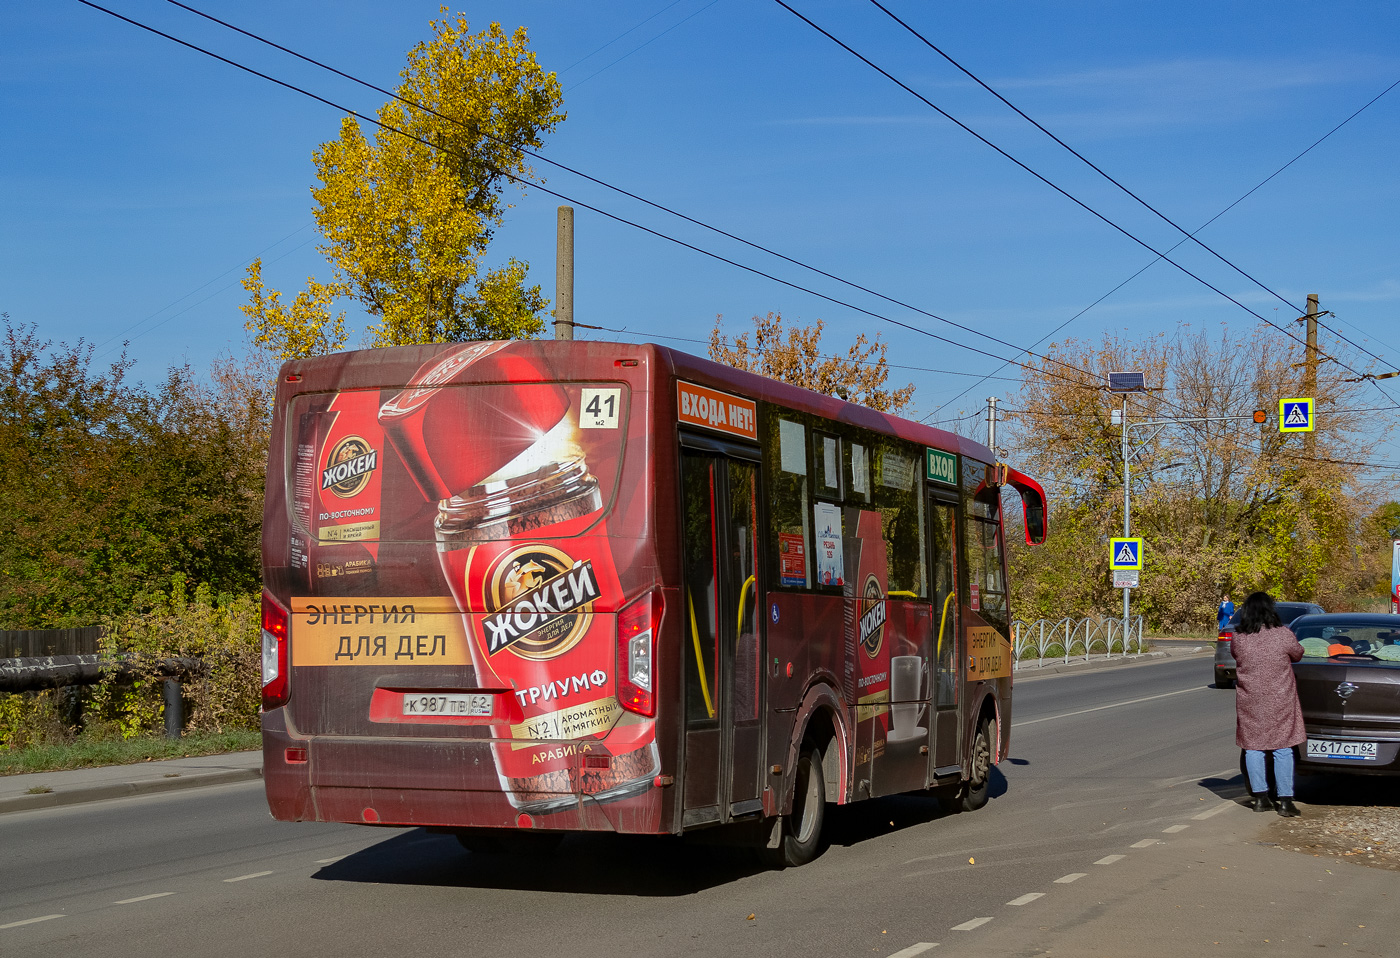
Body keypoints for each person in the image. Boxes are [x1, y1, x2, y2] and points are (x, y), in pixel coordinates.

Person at [1230, 591, 1305, 817]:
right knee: (1283, 748)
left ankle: (1260, 799)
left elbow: (1236, 656)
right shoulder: (1283, 634)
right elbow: (1298, 654)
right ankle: (1285, 802)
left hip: (1250, 700)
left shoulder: (1239, 638)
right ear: (1270, 610)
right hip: (1280, 700)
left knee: (1253, 748)